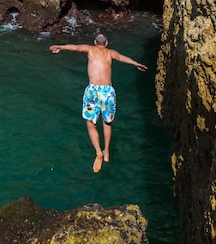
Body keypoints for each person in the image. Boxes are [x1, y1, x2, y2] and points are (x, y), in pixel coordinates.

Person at [50, 33, 148, 173]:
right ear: (106, 43)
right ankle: (106, 151)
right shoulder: (110, 53)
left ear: (95, 42)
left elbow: (75, 48)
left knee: (90, 123)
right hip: (108, 92)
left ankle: (98, 152)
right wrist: (135, 63)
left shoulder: (90, 49)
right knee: (107, 123)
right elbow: (122, 58)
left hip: (93, 91)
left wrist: (60, 47)